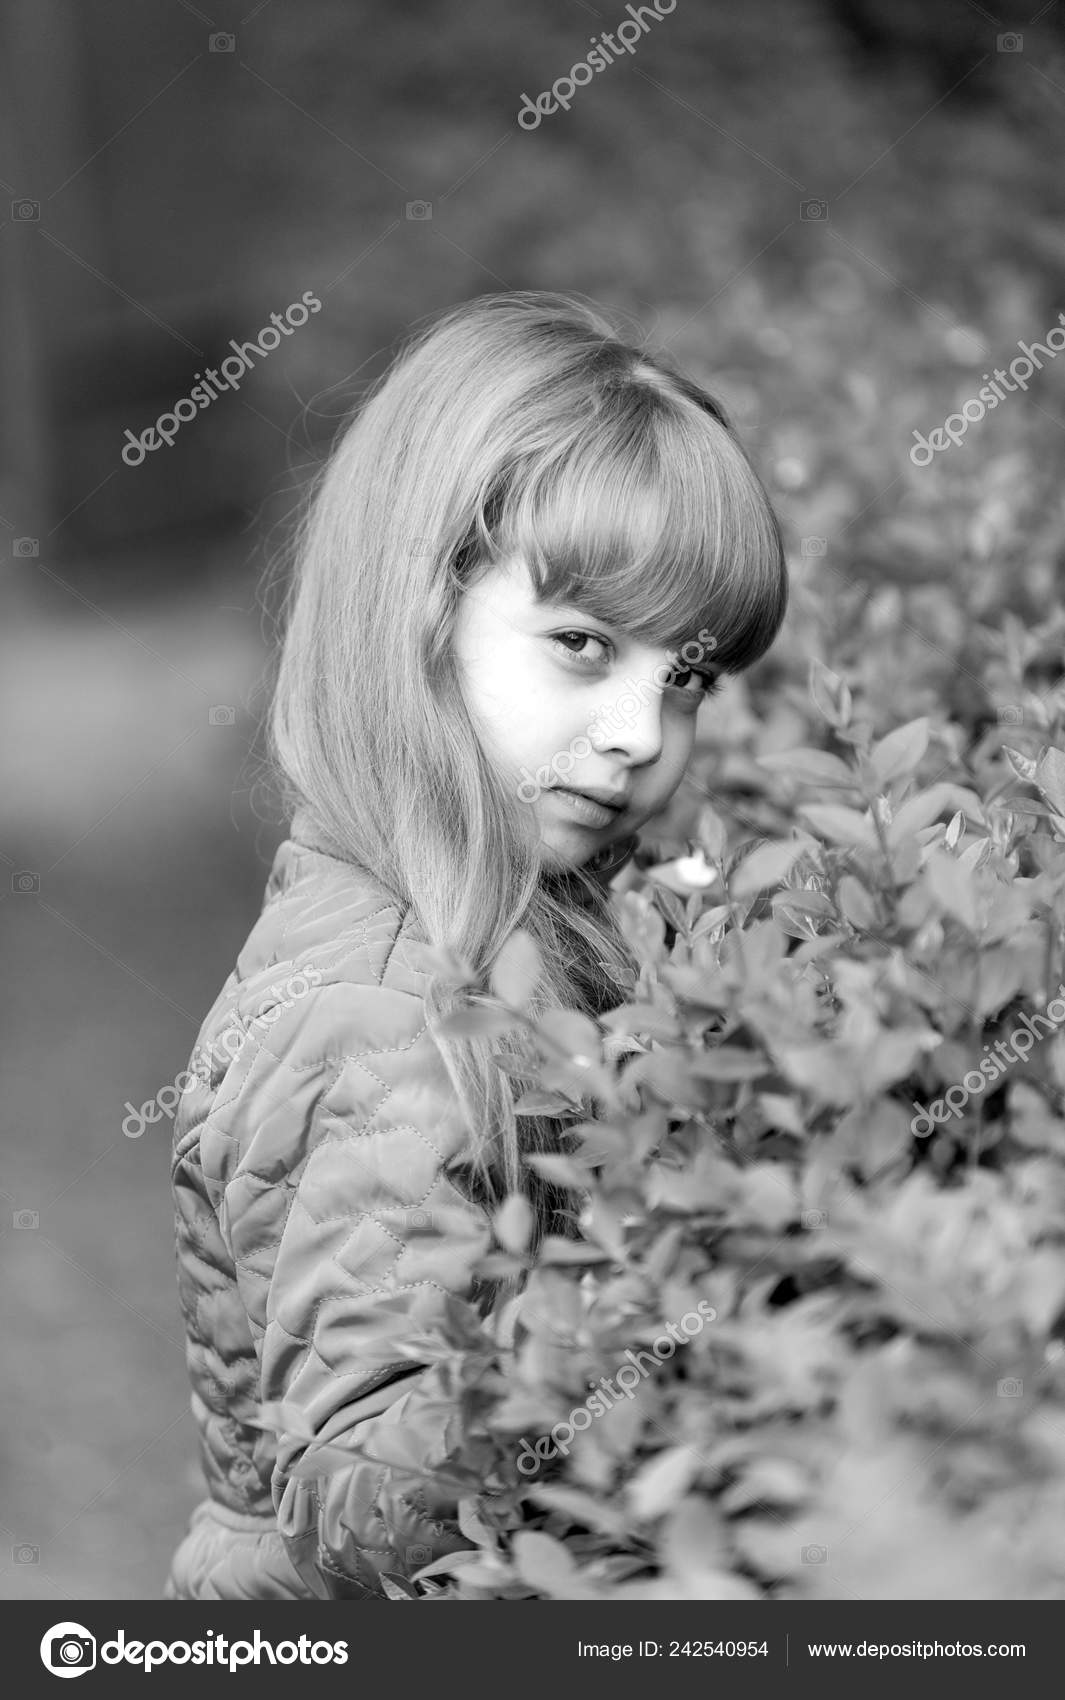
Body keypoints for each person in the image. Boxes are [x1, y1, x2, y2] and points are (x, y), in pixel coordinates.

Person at [163, 290, 788, 1600]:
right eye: (581, 646)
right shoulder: (381, 1012)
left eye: (683, 678)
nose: (639, 734)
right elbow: (365, 1501)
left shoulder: (517, 925)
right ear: (415, 614)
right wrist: (656, 1331)